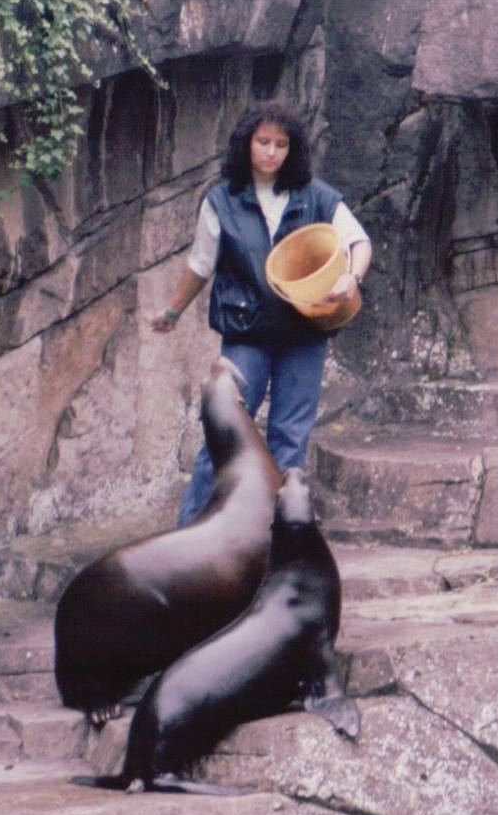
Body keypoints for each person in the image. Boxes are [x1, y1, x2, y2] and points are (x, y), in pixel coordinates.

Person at [150, 102, 372, 526]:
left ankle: (278, 539)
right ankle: (188, 530)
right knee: (225, 433)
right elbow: (201, 263)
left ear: (293, 150)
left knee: (290, 439)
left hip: (303, 333)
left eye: (281, 144)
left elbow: (359, 241)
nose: (271, 152)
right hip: (246, 334)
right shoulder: (221, 200)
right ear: (247, 144)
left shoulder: (316, 195)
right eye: (263, 142)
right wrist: (173, 310)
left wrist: (352, 278)